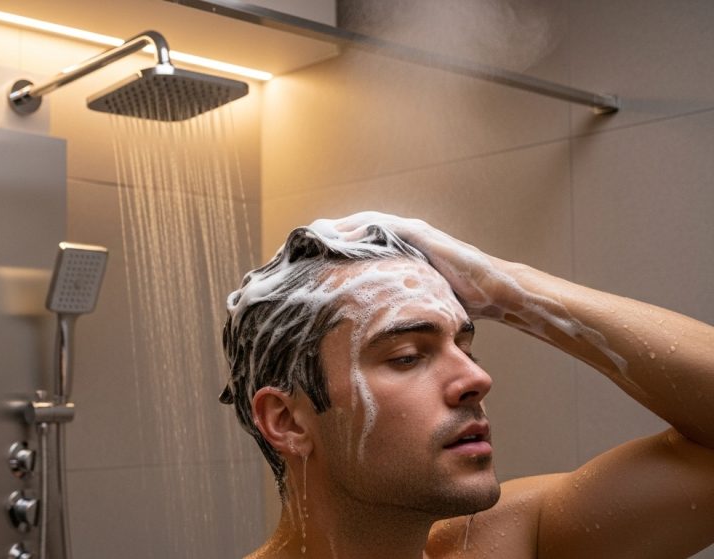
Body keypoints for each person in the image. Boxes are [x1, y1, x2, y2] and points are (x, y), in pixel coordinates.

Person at [220, 211, 714, 558]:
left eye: (466, 347)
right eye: (407, 356)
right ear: (287, 421)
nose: (476, 379)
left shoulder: (516, 543)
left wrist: (506, 287)